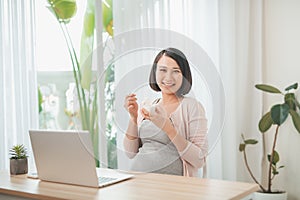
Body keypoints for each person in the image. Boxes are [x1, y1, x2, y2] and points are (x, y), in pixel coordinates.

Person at [123, 47, 208, 177]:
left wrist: (168, 128)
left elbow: (199, 159)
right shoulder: (148, 106)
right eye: (163, 70)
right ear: (155, 72)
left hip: (171, 188)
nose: (168, 77)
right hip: (137, 182)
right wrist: (133, 119)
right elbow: (130, 153)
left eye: (176, 71)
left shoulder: (192, 107)